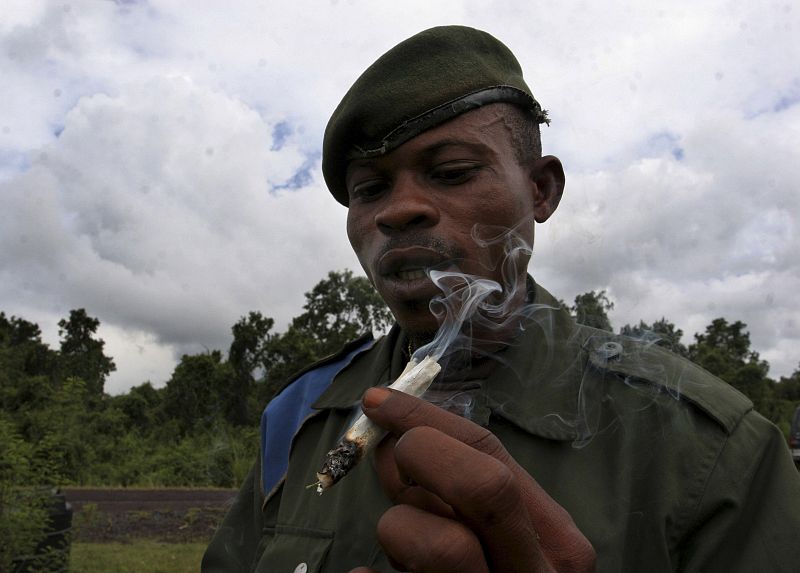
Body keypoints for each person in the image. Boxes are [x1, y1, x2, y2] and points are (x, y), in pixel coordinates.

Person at [202, 25, 800, 572]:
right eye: (369, 188)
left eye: (453, 171)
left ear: (539, 191)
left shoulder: (709, 450)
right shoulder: (302, 418)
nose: (397, 209)